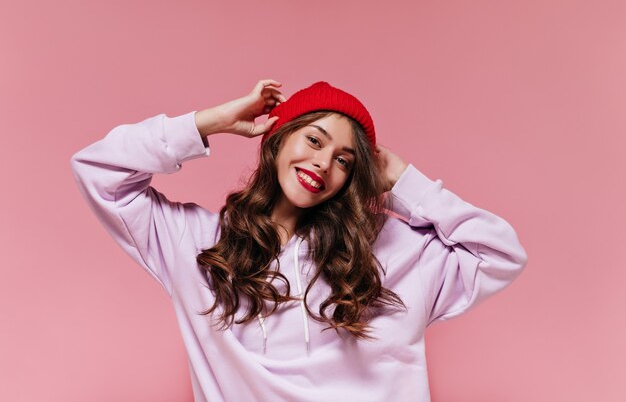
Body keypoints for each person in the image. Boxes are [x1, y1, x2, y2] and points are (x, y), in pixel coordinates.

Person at [70, 79, 528, 402]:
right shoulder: (196, 243)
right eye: (313, 139)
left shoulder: (388, 249)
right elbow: (99, 170)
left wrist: (405, 182)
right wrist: (210, 122)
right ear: (279, 137)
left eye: (345, 160)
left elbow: (500, 254)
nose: (323, 162)